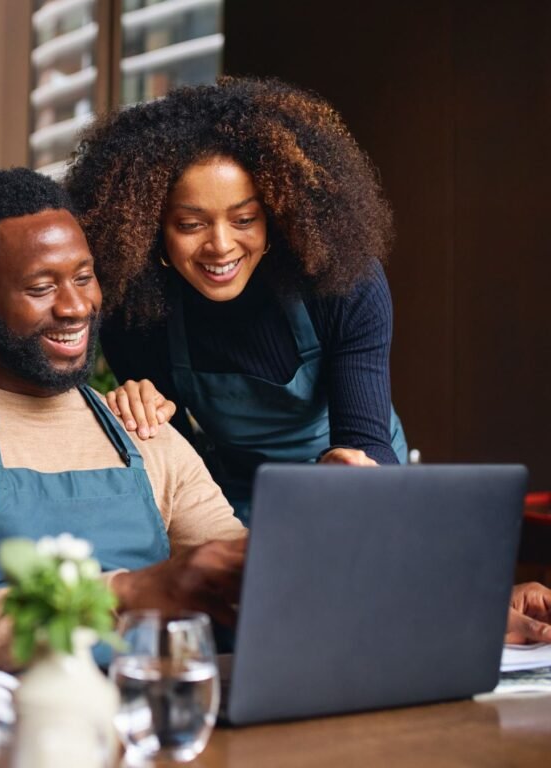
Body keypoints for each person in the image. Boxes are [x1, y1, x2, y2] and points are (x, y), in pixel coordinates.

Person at [0, 168, 245, 671]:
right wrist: (127, 592)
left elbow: (233, 567)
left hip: (149, 708)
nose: (76, 307)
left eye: (84, 278)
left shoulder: (142, 426)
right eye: (42, 287)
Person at [65, 77, 408, 523]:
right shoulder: (136, 311)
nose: (221, 246)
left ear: (276, 215)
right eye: (191, 225)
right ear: (151, 228)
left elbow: (368, 442)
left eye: (244, 219)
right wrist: (141, 416)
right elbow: (178, 468)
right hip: (236, 494)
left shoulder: (341, 282)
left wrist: (350, 468)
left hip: (352, 484)